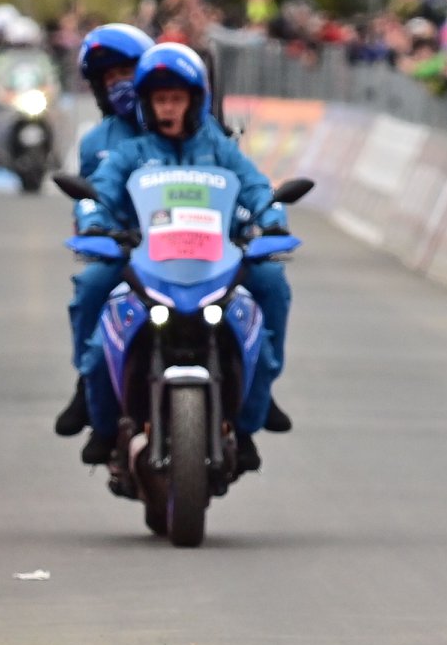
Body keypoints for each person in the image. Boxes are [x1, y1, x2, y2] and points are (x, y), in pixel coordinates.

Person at [75, 43, 293, 473]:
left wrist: (272, 219)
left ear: (195, 101)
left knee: (270, 286)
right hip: (145, 262)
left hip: (218, 262)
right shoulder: (130, 151)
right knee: (95, 308)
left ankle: (250, 419)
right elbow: (100, 192)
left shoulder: (220, 144)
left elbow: (255, 187)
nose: (168, 107)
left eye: (176, 98)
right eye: (160, 99)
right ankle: (100, 421)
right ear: (147, 104)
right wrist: (96, 223)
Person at [55, 24, 154, 439]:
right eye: (108, 77)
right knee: (91, 285)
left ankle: (251, 398)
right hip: (124, 249)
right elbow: (92, 193)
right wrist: (95, 224)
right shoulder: (96, 140)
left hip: (190, 248)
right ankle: (90, 386)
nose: (119, 83)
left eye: (126, 71)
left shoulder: (185, 125)